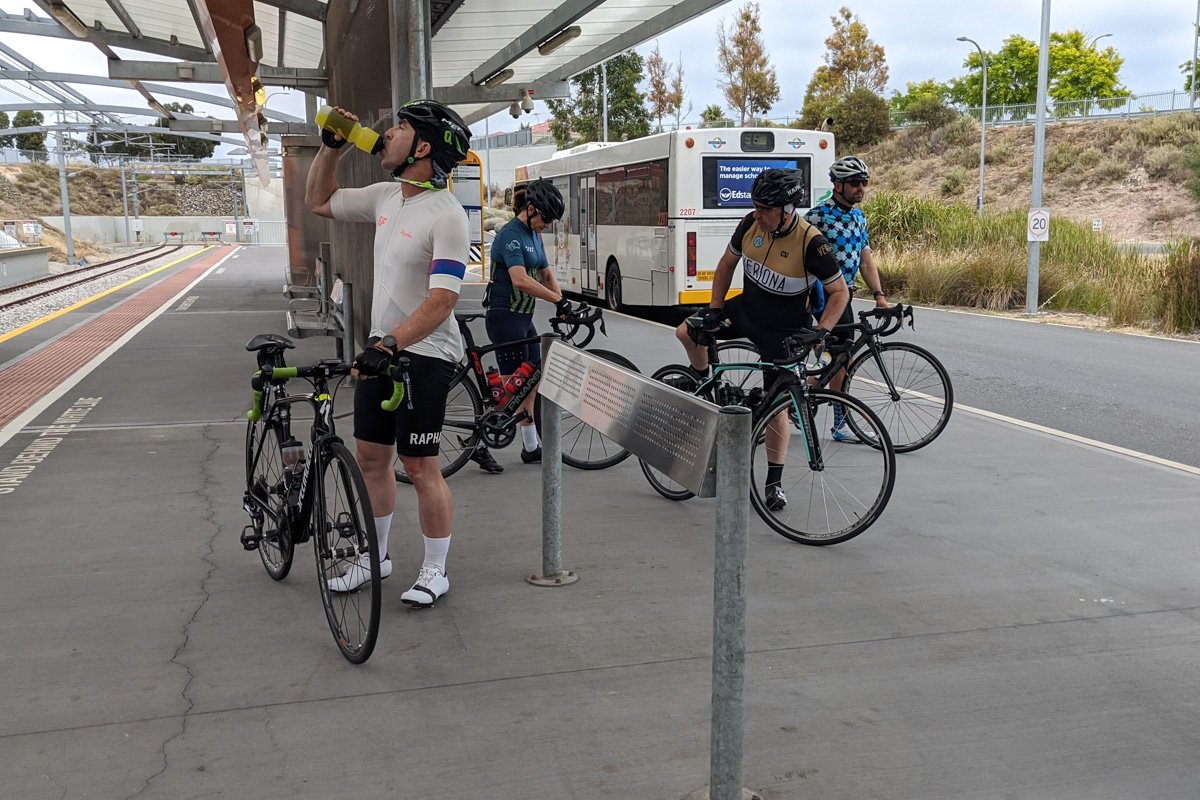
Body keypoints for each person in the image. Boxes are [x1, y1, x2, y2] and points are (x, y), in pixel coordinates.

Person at [305, 98, 472, 609]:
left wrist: (392, 343)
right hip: (384, 347)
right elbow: (319, 200)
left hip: (425, 351)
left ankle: (435, 569)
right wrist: (330, 148)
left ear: (422, 147)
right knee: (370, 458)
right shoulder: (385, 196)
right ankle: (374, 559)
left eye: (400, 128)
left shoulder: (448, 217)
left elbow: (442, 302)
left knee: (420, 465)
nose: (387, 134)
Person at [674, 167, 849, 511]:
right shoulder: (750, 224)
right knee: (686, 331)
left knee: (777, 407)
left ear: (787, 210)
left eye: (765, 209)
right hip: (744, 311)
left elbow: (839, 293)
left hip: (783, 328)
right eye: (755, 206)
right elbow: (726, 265)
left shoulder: (812, 242)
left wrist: (822, 330)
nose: (758, 214)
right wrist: (714, 308)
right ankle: (706, 387)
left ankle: (773, 483)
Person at [469, 179, 569, 471]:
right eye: (546, 219)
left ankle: (530, 446)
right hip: (505, 317)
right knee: (512, 387)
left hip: (523, 319)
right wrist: (556, 301)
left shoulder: (534, 236)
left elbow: (546, 275)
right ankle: (479, 444)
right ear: (531, 209)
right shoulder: (512, 235)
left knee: (532, 380)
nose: (548, 225)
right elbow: (520, 279)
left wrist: (563, 304)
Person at [804, 155, 889, 441]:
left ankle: (810, 384)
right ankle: (841, 423)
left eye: (864, 183)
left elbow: (866, 260)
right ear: (838, 185)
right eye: (855, 183)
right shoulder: (818, 215)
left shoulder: (857, 216)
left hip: (846, 294)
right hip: (823, 293)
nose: (861, 188)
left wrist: (879, 295)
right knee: (843, 355)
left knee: (839, 354)